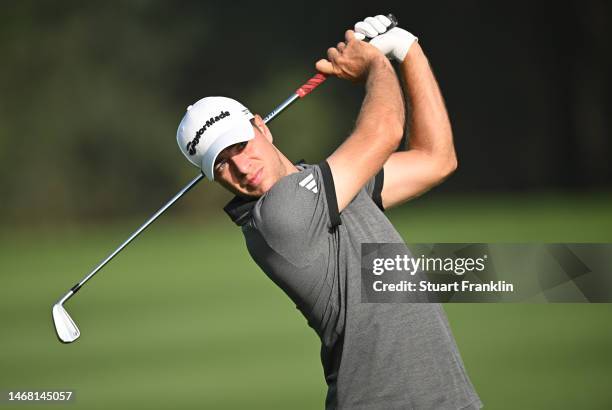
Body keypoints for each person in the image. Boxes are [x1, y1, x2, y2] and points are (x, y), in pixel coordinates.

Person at [176, 15, 482, 410]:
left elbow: (435, 160)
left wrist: (408, 50)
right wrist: (374, 63)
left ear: (261, 127)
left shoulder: (325, 184)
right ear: (213, 178)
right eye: (222, 164)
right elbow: (384, 130)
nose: (242, 166)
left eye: (240, 145)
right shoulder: (280, 217)